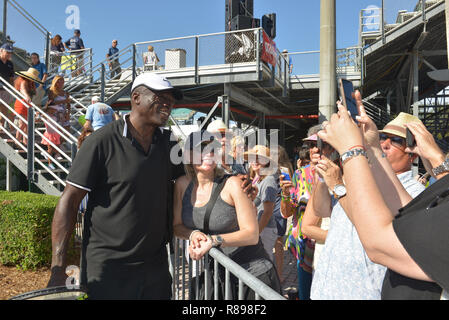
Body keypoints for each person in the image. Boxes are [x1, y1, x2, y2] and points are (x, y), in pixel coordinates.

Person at [47, 73, 184, 299]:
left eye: (171, 99)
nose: (168, 104)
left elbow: (188, 182)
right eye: (160, 98)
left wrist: (231, 186)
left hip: (156, 268)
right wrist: (58, 268)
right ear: (136, 97)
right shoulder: (100, 142)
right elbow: (70, 201)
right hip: (109, 270)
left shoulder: (169, 142)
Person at [318, 90, 449, 299]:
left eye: (397, 140)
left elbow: (379, 243)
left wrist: (351, 151)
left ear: (413, 149)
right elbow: (406, 216)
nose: (385, 143)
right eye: (383, 137)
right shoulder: (367, 176)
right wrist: (370, 147)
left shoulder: (416, 189)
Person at [173, 131, 281, 300]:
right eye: (202, 148)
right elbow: (177, 226)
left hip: (251, 276)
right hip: (218, 277)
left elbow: (252, 235)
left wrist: (213, 241)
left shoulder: (234, 184)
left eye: (213, 149)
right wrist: (193, 234)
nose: (209, 153)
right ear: (188, 155)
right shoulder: (181, 185)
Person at [279, 124, 321, 300]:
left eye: (319, 144)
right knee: (305, 294)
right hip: (304, 247)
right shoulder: (299, 175)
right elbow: (287, 213)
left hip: (326, 244)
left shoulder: (340, 174)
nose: (314, 149)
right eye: (310, 145)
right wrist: (285, 194)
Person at [245, 145, 279, 263]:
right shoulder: (257, 178)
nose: (254, 161)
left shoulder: (268, 180)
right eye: (252, 158)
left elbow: (267, 212)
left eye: (259, 158)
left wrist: (256, 233)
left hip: (265, 229)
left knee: (264, 262)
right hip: (259, 227)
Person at [271, 145, 293, 281]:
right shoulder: (286, 168)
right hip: (280, 204)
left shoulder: (273, 169)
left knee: (277, 241)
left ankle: (278, 275)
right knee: (278, 241)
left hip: (277, 204)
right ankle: (279, 275)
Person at [14, 68, 42, 145]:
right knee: (22, 123)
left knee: (27, 124)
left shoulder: (31, 83)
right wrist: (27, 96)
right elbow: (22, 89)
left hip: (28, 104)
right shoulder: (24, 81)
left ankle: (25, 141)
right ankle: (17, 140)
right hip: (22, 102)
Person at [41, 102, 62, 170]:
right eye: (52, 109)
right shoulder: (46, 115)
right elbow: (41, 115)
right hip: (49, 134)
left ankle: (47, 153)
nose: (54, 111)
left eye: (55, 110)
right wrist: (47, 105)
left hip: (55, 133)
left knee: (56, 148)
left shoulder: (55, 116)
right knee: (50, 149)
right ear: (49, 109)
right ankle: (50, 164)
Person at [0, 43, 15, 128]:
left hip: (5, 88)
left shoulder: (10, 63)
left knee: (4, 108)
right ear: (1, 51)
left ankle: (1, 125)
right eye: (7, 52)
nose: (9, 54)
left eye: (10, 52)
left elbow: (11, 77)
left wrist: (12, 88)